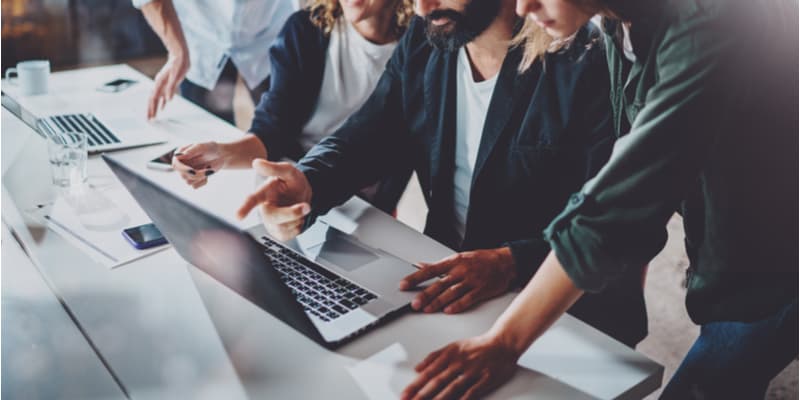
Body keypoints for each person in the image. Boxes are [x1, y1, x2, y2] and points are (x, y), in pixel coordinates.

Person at [402, 0, 798, 399]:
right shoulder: (616, 21)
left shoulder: (710, 21)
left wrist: (504, 342)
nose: (523, 7)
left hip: (777, 269)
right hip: (733, 251)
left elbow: (621, 201)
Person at [235, 0, 649, 348]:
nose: (421, 8)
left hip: (558, 315)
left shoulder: (590, 60)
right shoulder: (428, 37)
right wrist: (307, 181)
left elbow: (618, 229)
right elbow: (367, 135)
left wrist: (510, 262)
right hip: (446, 286)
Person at [170, 0, 415, 214]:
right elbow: (272, 132)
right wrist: (220, 153)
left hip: (365, 202)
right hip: (291, 185)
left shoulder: (421, 50)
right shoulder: (305, 30)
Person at [133, 0, 296, 122]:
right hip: (202, 38)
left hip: (272, 29)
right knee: (207, 137)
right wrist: (177, 50)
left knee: (286, 127)